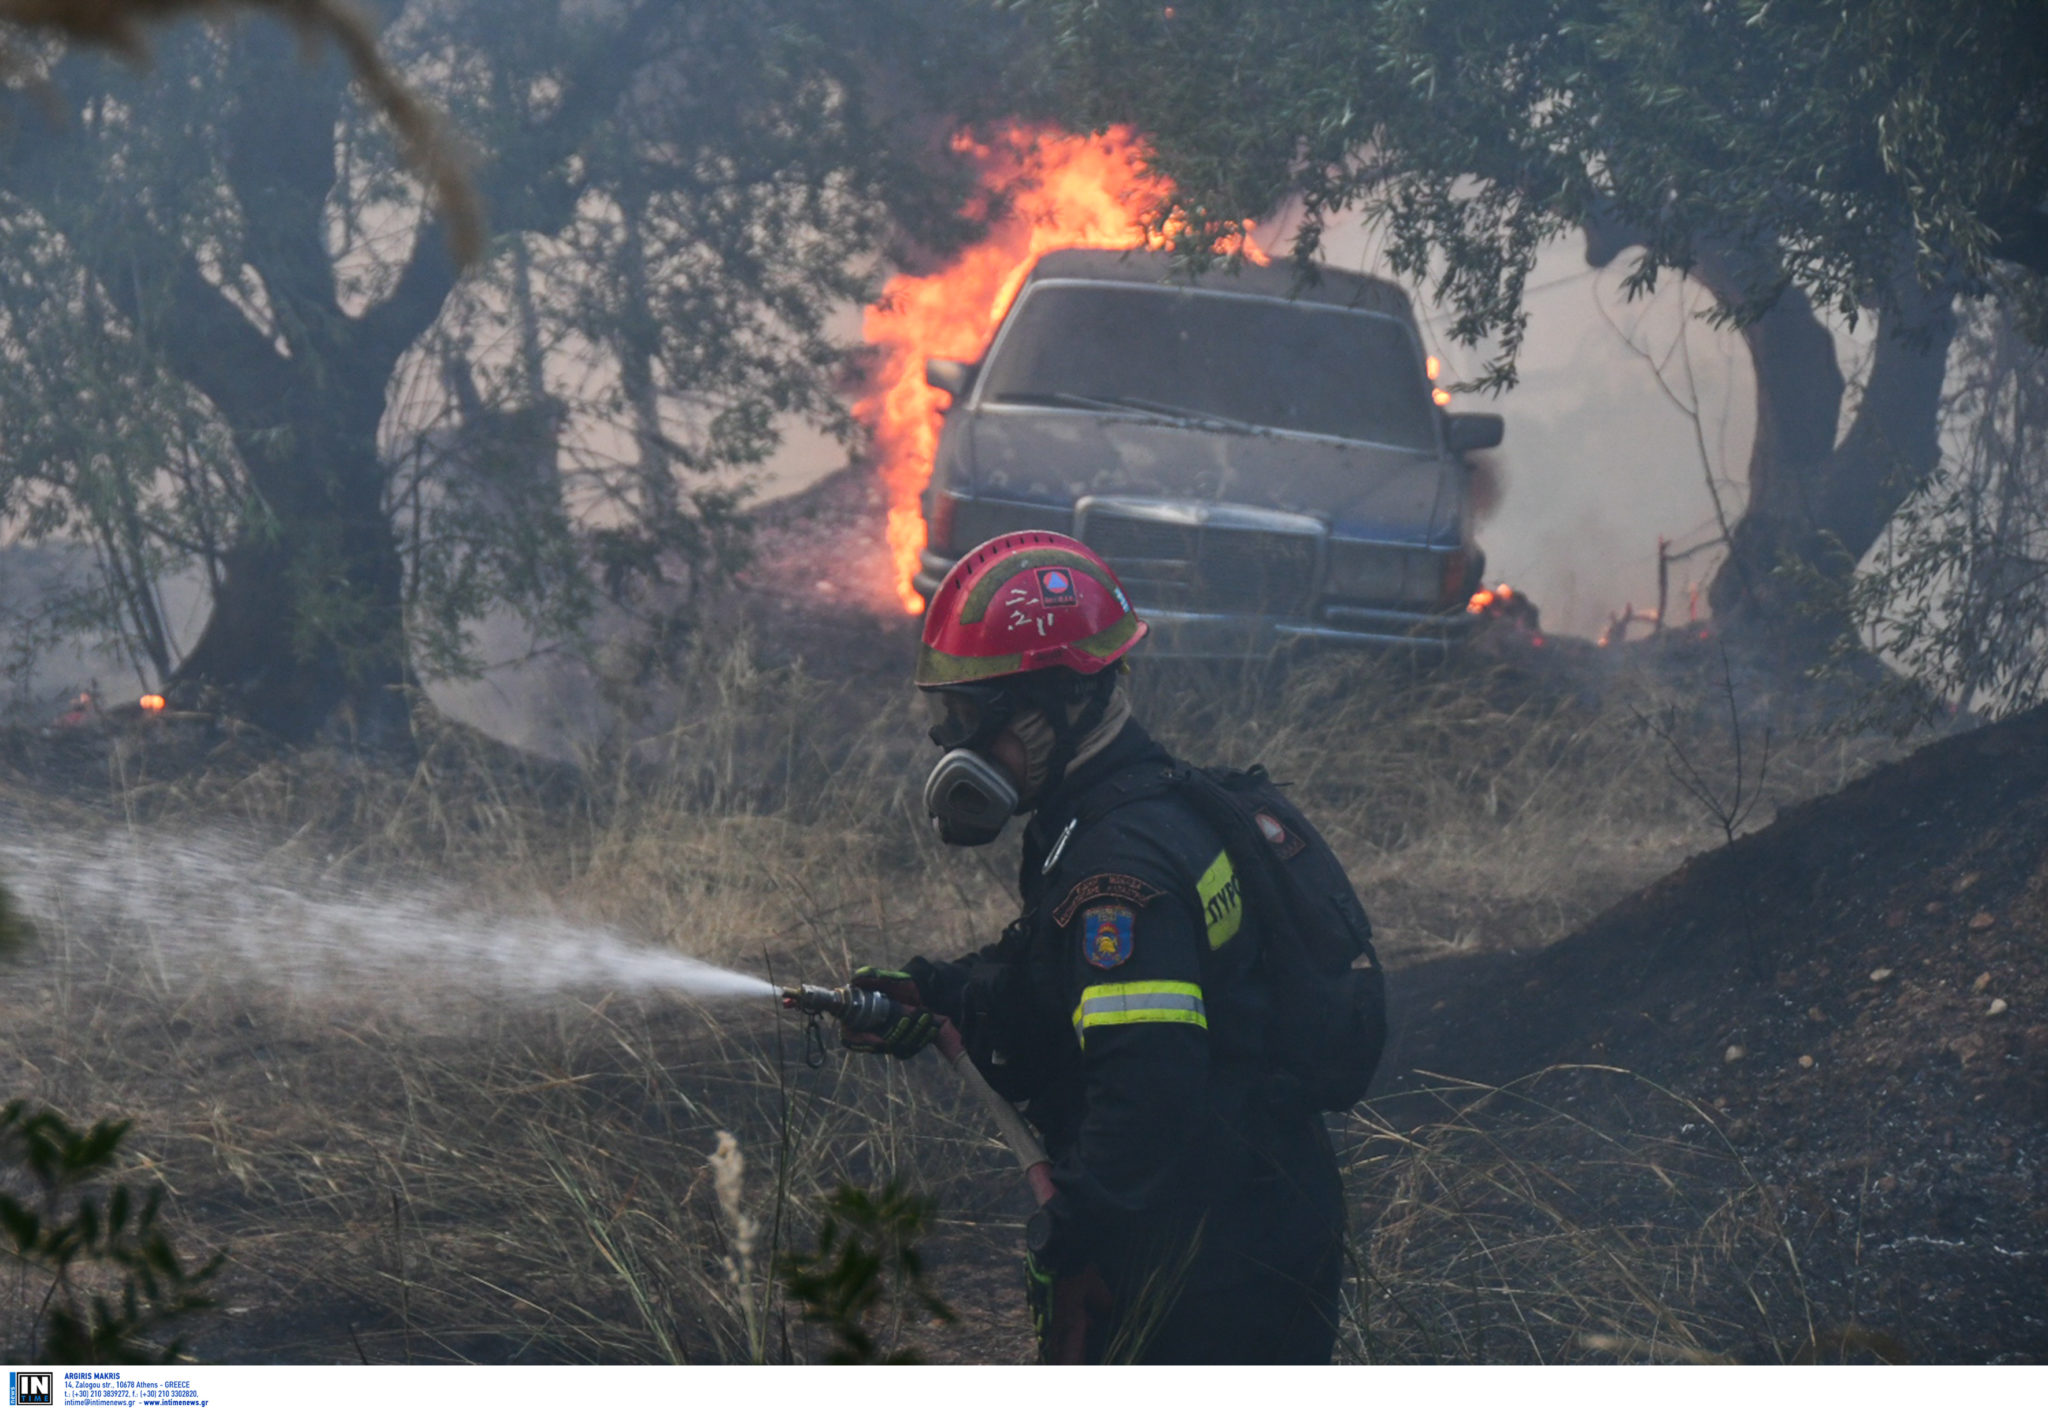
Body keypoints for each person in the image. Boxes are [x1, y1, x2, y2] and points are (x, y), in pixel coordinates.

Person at [846, 531, 1362, 1364]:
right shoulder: (1116, 813)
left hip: (1204, 1266)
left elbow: (1147, 1091)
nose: (954, 746)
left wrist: (1074, 1238)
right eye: (948, 717)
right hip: (1247, 1213)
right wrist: (939, 994)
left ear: (1061, 705)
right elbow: (1060, 980)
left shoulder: (1119, 872)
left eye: (972, 717)